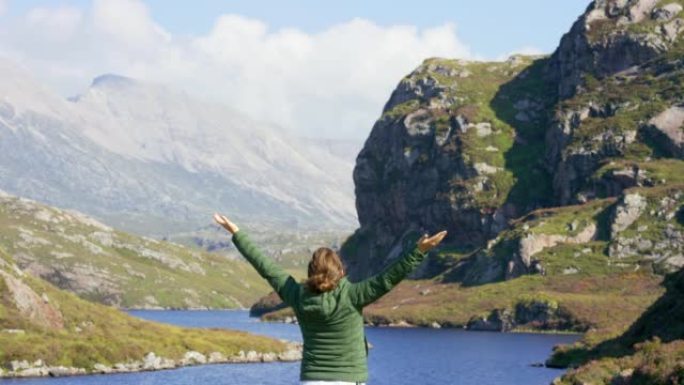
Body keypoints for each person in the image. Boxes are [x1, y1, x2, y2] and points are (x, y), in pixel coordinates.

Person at [213, 213, 447, 385]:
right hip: (348, 379)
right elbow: (387, 278)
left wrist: (237, 234)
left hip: (312, 379)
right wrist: (419, 251)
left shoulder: (295, 294)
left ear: (310, 272)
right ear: (341, 271)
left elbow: (266, 267)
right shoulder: (353, 295)